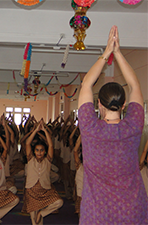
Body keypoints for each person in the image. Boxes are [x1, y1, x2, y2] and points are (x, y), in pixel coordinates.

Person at [78, 25, 148, 224]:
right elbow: (135, 85)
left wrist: (106, 52)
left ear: (98, 103)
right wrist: (118, 53)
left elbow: (86, 85)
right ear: (124, 104)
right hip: (132, 209)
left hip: (97, 211)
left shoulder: (90, 128)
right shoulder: (133, 126)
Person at [22, 120, 63, 225]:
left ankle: (42, 213)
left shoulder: (47, 160)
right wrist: (35, 130)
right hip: (31, 190)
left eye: (41, 150)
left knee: (59, 202)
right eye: (37, 150)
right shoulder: (31, 159)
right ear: (34, 151)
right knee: (34, 222)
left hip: (45, 190)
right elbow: (27, 143)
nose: (39, 152)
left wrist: (44, 130)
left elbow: (50, 145)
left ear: (44, 152)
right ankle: (38, 217)